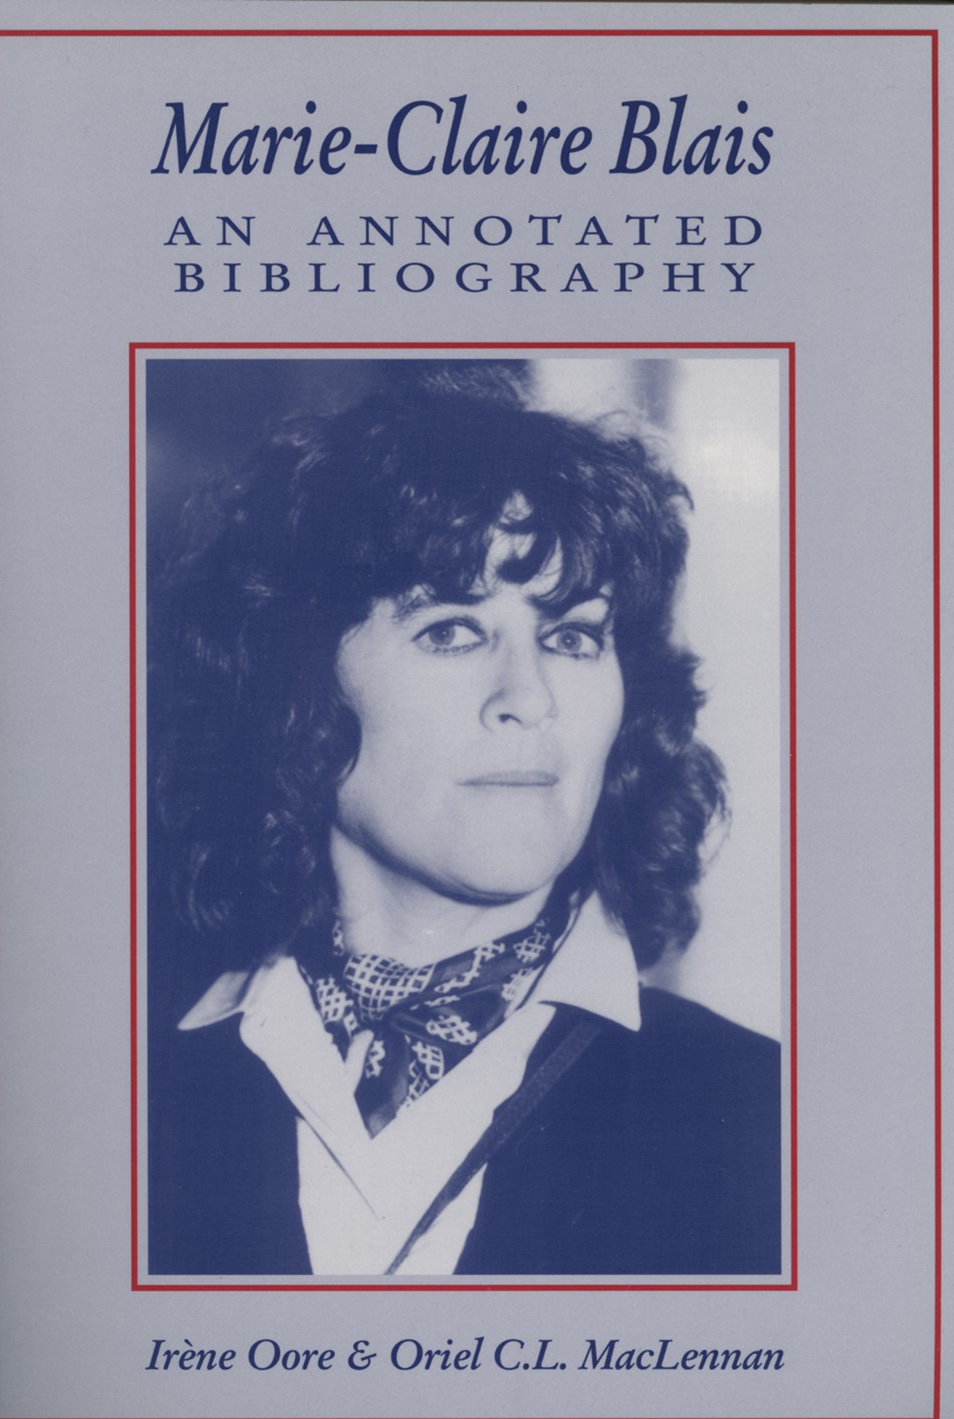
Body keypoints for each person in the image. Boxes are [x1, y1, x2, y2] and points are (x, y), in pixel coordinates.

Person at [147, 365, 781, 1277]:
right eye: (450, 630)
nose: (530, 697)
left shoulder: (763, 1116)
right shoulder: (119, 1095)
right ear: (292, 686)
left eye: (571, 636)